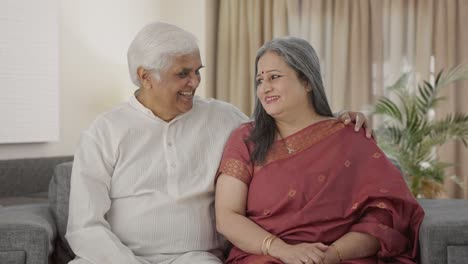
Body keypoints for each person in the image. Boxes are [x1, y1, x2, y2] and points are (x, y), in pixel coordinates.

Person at [66, 22, 371, 264]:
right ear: (145, 77)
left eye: (197, 71)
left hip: (195, 258)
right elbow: (85, 226)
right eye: (182, 74)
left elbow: (286, 131)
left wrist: (337, 119)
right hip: (115, 258)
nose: (195, 82)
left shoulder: (224, 119)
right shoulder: (104, 131)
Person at [215, 37, 425, 264]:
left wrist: (331, 255)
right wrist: (282, 250)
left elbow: (385, 215)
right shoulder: (246, 139)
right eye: (259, 80)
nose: (265, 88)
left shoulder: (349, 137)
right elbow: (227, 216)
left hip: (341, 257)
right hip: (265, 255)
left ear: (307, 81)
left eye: (274, 77)